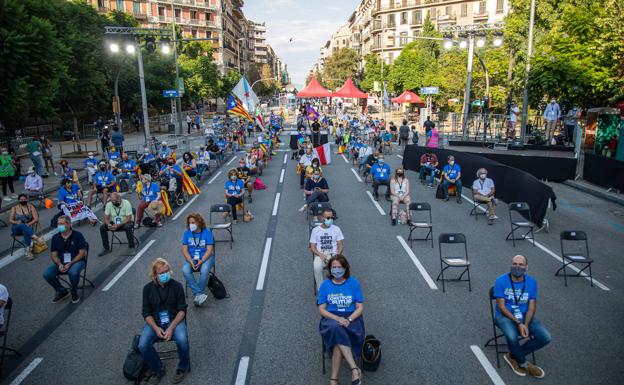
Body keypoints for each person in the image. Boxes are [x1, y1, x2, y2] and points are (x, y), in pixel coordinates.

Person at [493, 255, 550, 378]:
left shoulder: (532, 282)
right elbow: (502, 307)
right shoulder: (500, 281)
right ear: (510, 265)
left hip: (524, 316)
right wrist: (519, 323)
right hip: (504, 316)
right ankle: (525, 364)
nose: (517, 267)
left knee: (545, 337)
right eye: (514, 264)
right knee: (512, 336)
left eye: (520, 265)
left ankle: (513, 355)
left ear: (526, 267)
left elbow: (531, 307)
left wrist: (526, 324)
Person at [139, 258, 190, 384]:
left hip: (174, 321)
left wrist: (171, 327)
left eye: (167, 271)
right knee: (143, 345)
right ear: (154, 275)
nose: (165, 274)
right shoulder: (147, 289)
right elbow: (146, 313)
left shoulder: (177, 286)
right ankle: (157, 368)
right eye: (161, 273)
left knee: (182, 340)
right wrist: (156, 328)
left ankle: (184, 367)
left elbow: (182, 311)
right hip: (155, 323)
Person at [318, 255, 364, 385]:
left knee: (338, 334)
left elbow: (360, 307)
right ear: (330, 268)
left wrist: (348, 319)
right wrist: (337, 318)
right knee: (337, 327)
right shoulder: (325, 285)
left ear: (345, 268)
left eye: (339, 267)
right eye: (334, 267)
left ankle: (334, 379)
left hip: (352, 317)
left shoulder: (354, 283)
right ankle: (354, 369)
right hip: (332, 317)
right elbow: (321, 309)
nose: (336, 270)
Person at [42, 215, 88, 304]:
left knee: (73, 272)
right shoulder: (55, 237)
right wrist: (59, 264)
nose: (59, 226)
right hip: (61, 263)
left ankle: (74, 290)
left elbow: (82, 253)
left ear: (69, 224)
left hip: (77, 261)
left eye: (62, 224)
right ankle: (62, 291)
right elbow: (54, 254)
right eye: (58, 224)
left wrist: (70, 263)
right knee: (47, 274)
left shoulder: (78, 235)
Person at [181, 213, 215, 307]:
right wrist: (190, 260)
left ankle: (198, 295)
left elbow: (209, 250)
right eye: (189, 223)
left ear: (199, 222)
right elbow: (184, 249)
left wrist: (202, 260)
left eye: (193, 222)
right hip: (192, 258)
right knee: (185, 270)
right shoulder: (187, 233)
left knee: (204, 270)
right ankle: (199, 294)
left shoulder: (207, 233)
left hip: (206, 257)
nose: (191, 225)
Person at [309, 209, 344, 290]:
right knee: (317, 267)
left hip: (334, 254)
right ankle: (321, 292)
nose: (330, 220)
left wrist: (337, 256)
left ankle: (336, 289)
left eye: (332, 217)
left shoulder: (336, 229)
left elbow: (340, 245)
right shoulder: (315, 230)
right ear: (322, 218)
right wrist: (320, 254)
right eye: (328, 218)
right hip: (320, 255)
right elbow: (312, 247)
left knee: (340, 268)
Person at [10, 194, 43, 260]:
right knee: (23, 226)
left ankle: (28, 252)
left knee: (25, 229)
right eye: (21, 200)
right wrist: (16, 222)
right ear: (19, 200)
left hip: (27, 228)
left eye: (24, 199)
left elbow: (36, 218)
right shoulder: (14, 208)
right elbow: (10, 220)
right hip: (16, 228)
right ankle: (34, 237)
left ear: (27, 200)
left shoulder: (31, 207)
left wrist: (29, 223)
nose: (23, 201)